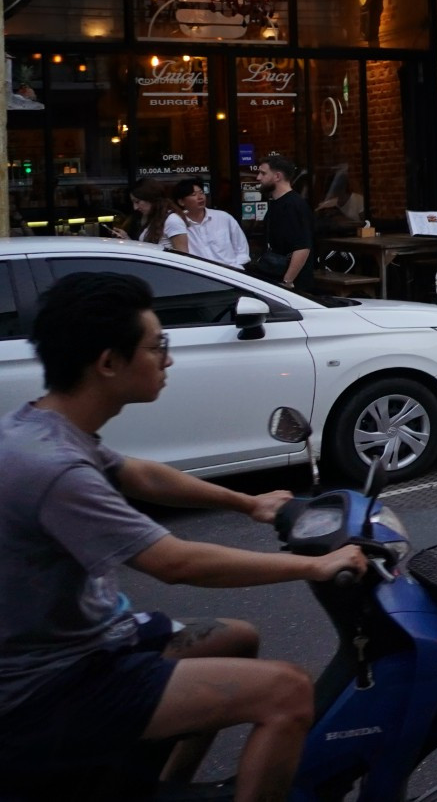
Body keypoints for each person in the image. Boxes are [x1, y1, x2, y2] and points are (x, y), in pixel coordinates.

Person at [0, 272, 363, 800]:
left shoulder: (43, 427)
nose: (166, 358)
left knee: (236, 637)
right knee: (288, 693)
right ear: (108, 363)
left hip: (89, 641)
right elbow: (176, 563)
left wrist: (250, 503)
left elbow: (140, 474)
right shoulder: (55, 470)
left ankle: (168, 786)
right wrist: (314, 565)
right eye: (156, 346)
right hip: (48, 688)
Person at [253, 154, 314, 287]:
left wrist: (287, 281)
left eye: (263, 173)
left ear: (277, 176)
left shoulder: (293, 205)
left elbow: (302, 248)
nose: (258, 177)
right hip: (275, 276)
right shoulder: (276, 203)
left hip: (292, 286)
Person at [163, 179, 251, 269]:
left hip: (230, 274)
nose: (200, 197)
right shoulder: (178, 222)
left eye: (201, 193)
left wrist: (238, 267)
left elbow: (241, 247)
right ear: (181, 202)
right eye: (193, 195)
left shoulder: (223, 217)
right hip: (203, 276)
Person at [109, 179, 173, 244]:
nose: (135, 207)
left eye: (137, 202)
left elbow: (181, 253)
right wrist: (127, 239)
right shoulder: (153, 218)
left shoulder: (172, 220)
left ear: (150, 198)